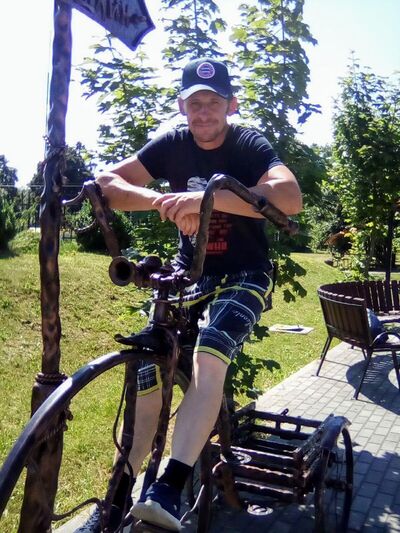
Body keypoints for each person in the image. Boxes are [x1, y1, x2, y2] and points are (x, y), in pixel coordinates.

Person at [87, 57, 302, 532]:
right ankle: (117, 501)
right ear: (182, 106)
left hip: (244, 274)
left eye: (214, 102)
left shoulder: (248, 143)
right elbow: (106, 184)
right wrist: (164, 202)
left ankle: (169, 487)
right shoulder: (173, 143)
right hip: (190, 276)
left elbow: (289, 197)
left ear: (231, 104)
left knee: (210, 353)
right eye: (195, 103)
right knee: (148, 373)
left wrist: (202, 199)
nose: (204, 112)